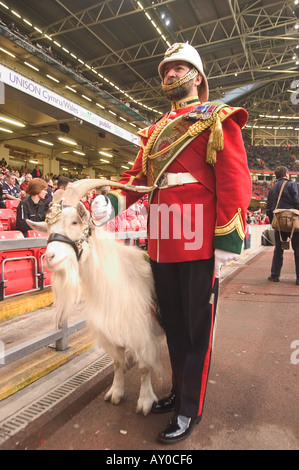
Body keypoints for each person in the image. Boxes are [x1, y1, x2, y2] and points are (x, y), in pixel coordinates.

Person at [92, 42, 252, 444]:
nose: (171, 74)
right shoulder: (154, 132)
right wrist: (107, 202)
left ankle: (189, 409)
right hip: (162, 238)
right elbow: (136, 180)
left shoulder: (216, 118)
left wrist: (225, 240)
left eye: (180, 68)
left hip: (199, 238)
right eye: (166, 69)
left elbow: (234, 180)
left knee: (197, 330)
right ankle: (178, 393)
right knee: (174, 326)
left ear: (197, 77)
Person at [266, 165, 299, 285]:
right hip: (294, 223)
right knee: (298, 250)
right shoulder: (292, 185)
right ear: (287, 175)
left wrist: (273, 222)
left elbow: (269, 209)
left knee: (278, 250)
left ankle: (275, 275)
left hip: (279, 223)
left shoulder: (272, 189)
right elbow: (297, 201)